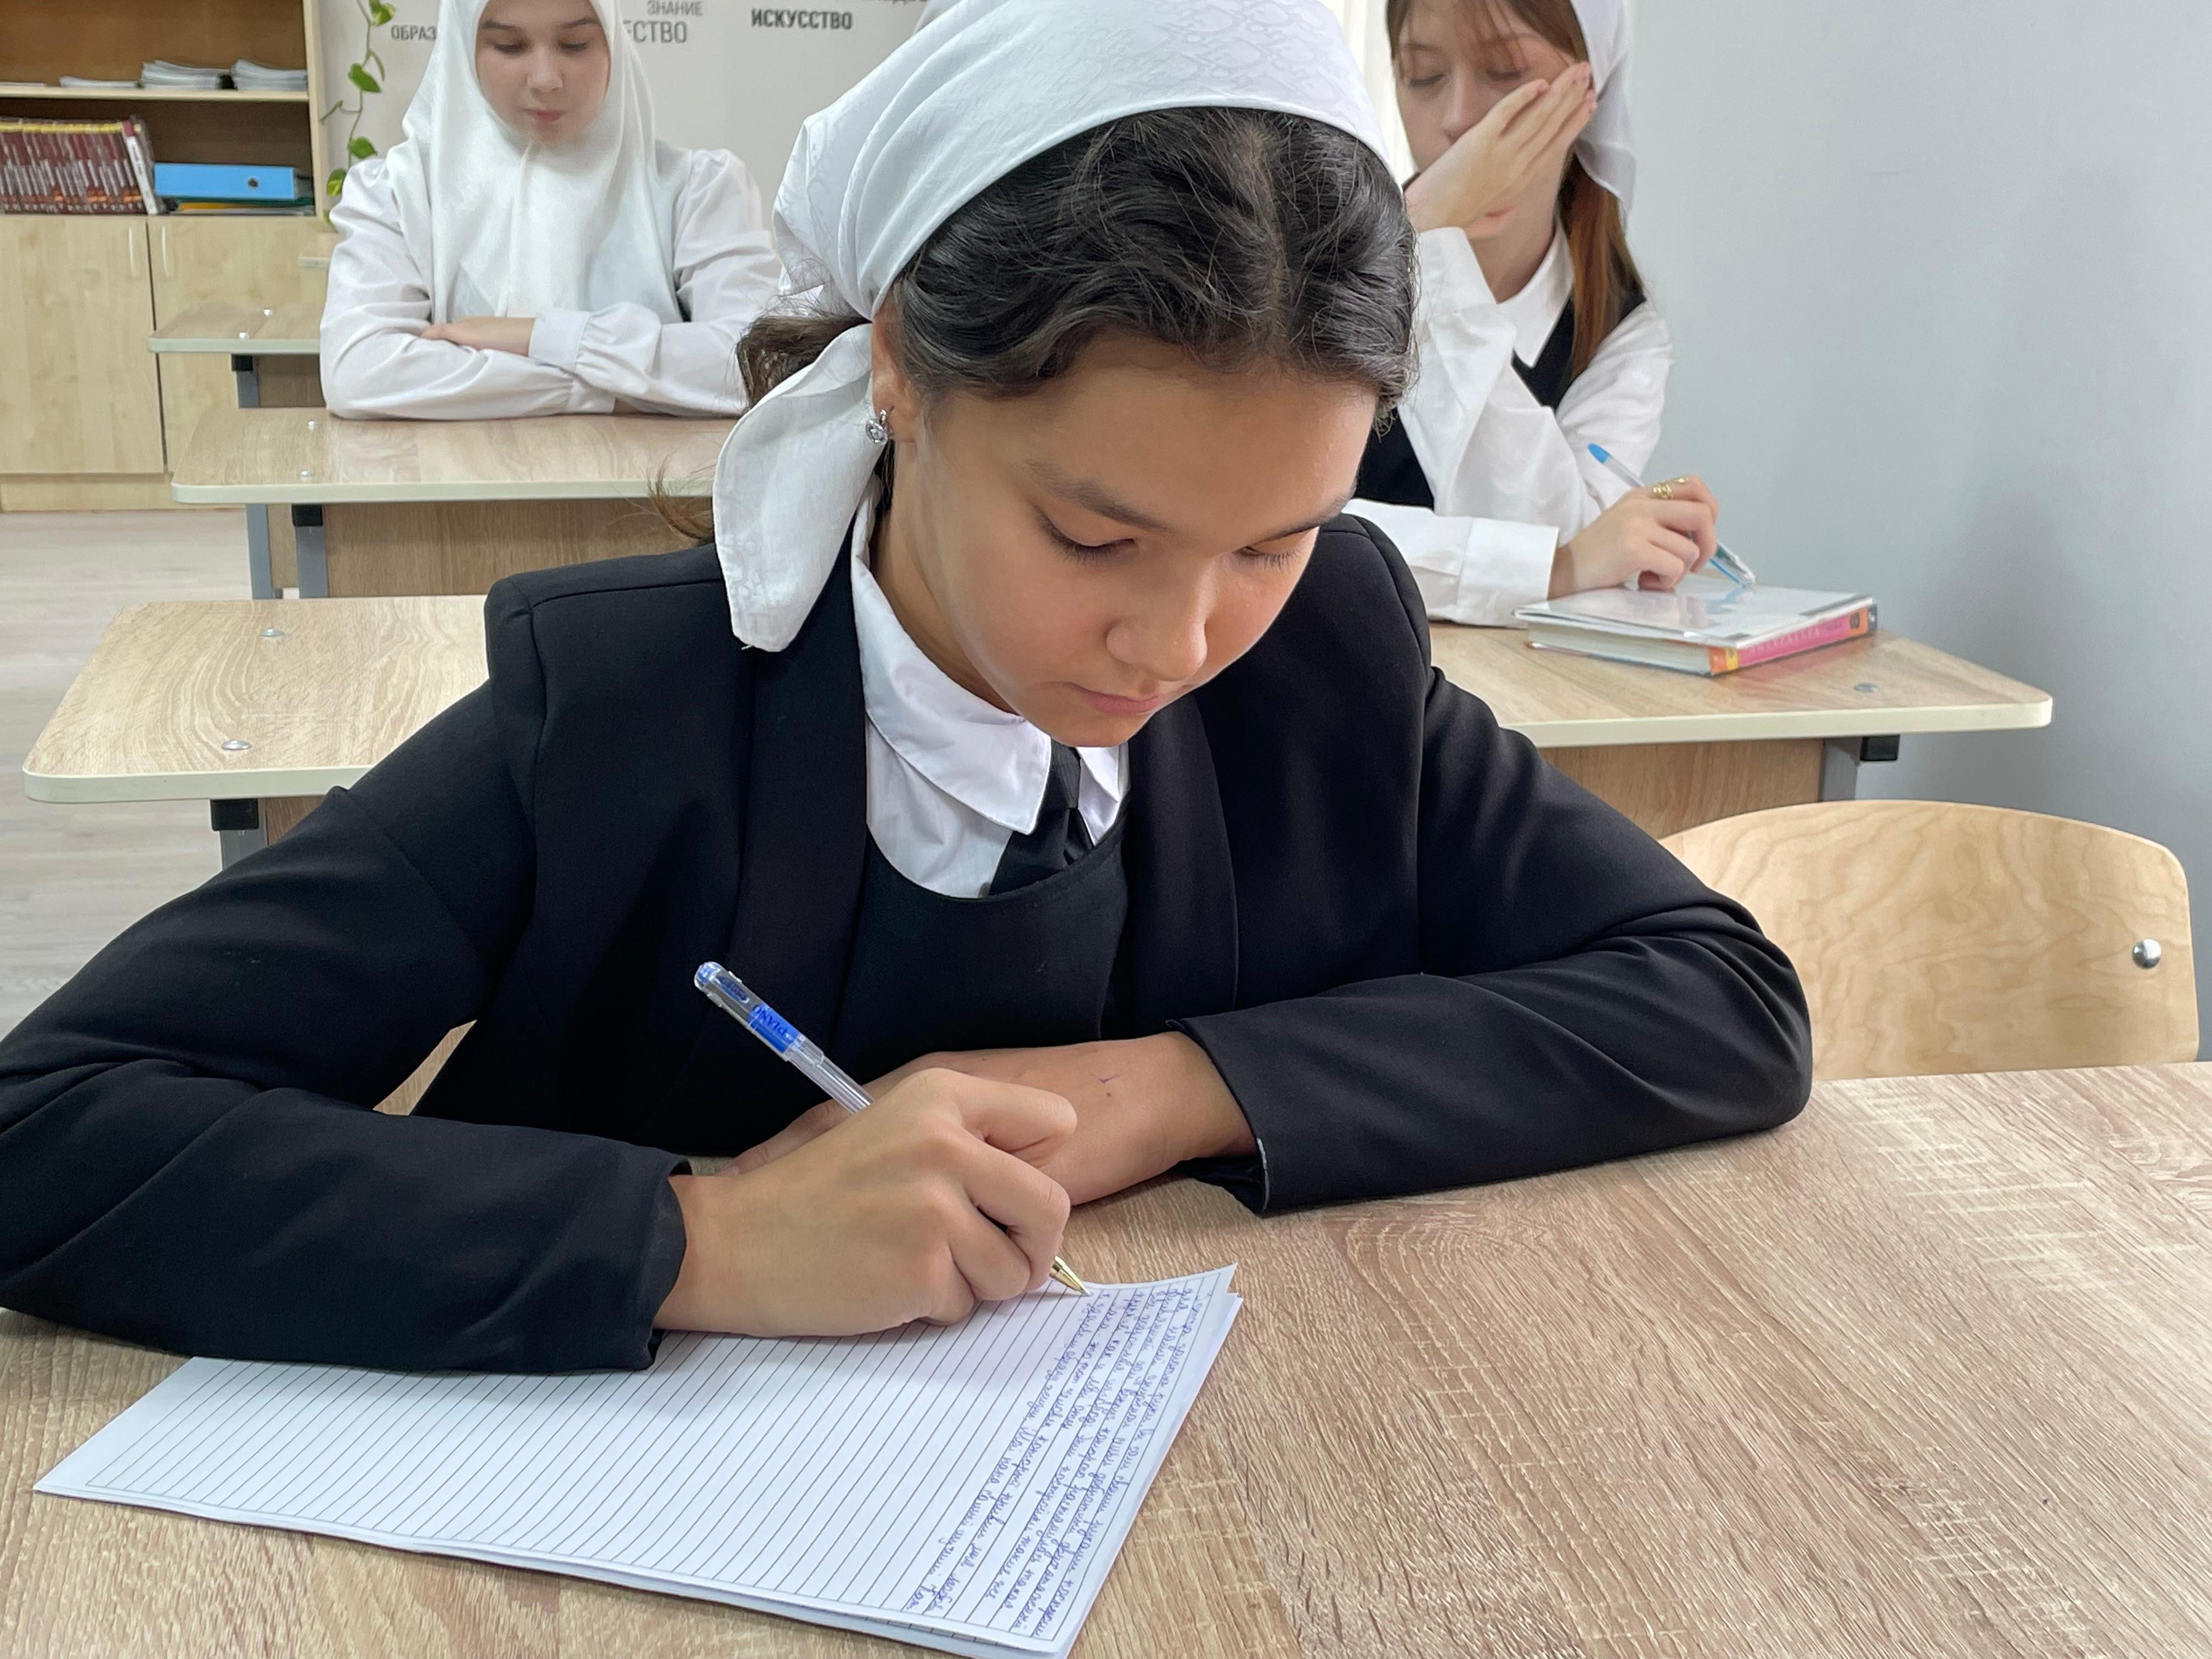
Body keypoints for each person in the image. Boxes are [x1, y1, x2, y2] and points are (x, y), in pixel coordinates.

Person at [0, 0, 1810, 1375]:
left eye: (1270, 539)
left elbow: (1720, 994)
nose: (1179, 643)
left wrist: (1170, 1087)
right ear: (901, 380)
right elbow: (51, 1127)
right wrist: (701, 1240)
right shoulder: (630, 712)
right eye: (1094, 536)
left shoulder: (1330, 652)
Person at [1353, 0, 1715, 624]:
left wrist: (1430, 247)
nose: (1458, 118)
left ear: (1589, 87)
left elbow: (1549, 538)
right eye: (1423, 75)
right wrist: (1422, 237)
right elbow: (1270, 533)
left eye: (1506, 71)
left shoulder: (1620, 335)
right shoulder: (1324, 264)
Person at [318, 0, 782, 419]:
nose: (545, 79)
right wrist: (611, 389)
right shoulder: (398, 193)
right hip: (458, 483)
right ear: (464, 47)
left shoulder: (697, 188)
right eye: (510, 46)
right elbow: (359, 372)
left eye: (575, 45)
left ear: (614, 44)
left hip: (660, 486)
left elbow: (760, 365)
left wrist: (537, 337)